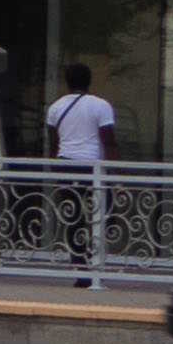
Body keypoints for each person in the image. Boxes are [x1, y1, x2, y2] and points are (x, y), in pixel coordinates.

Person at [47, 60, 116, 282]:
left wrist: (54, 172)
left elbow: (53, 143)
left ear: (67, 82)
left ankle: (80, 268)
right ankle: (94, 262)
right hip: (92, 167)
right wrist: (116, 174)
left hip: (66, 166)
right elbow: (109, 141)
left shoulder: (55, 107)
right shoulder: (101, 106)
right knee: (103, 215)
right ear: (89, 81)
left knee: (73, 218)